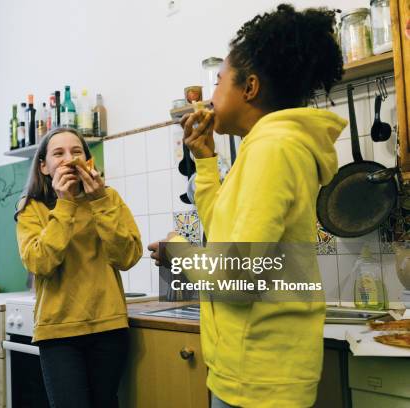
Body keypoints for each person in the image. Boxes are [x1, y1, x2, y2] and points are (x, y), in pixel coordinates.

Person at [148, 4, 347, 408]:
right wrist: (205, 160)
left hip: (261, 379)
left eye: (219, 81)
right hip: (250, 371)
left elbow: (236, 278)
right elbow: (223, 229)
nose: (212, 93)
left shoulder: (273, 149)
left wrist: (178, 253)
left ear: (250, 87)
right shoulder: (266, 147)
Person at [15, 127, 142, 408]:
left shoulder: (109, 199)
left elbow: (127, 257)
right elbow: (39, 262)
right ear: (44, 167)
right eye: (58, 154)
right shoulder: (31, 208)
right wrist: (65, 204)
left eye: (76, 152)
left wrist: (99, 203)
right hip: (58, 332)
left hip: (109, 327)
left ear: (89, 161)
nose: (68, 159)